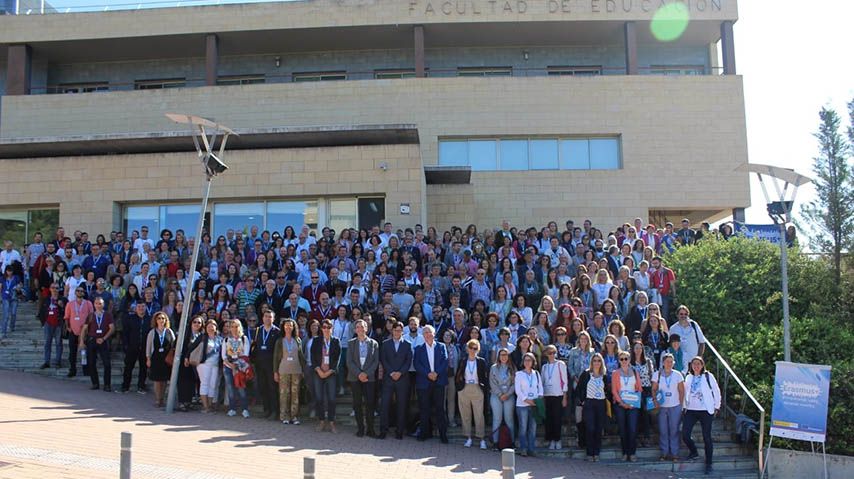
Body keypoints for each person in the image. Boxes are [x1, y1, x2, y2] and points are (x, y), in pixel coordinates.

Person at [682, 356, 721, 475]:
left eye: (698, 363)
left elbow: (716, 390)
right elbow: (685, 392)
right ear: (691, 366)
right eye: (694, 364)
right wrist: (684, 406)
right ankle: (694, 452)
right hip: (691, 410)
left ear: (702, 365)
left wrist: (717, 406)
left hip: (706, 410)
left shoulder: (708, 376)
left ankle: (709, 463)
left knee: (706, 437)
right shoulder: (688, 377)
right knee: (685, 434)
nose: (696, 366)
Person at [414, 324, 449, 443]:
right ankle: (424, 433)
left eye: (430, 332)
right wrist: (428, 374)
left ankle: (443, 435)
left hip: (439, 381)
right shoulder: (418, 349)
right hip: (424, 382)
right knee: (424, 409)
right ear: (423, 336)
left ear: (434, 334)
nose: (428, 334)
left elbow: (445, 361)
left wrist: (436, 373)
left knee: (440, 409)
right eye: (425, 333)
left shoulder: (441, 346)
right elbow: (417, 364)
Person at [379, 320, 413, 440]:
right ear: (392, 331)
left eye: (399, 330)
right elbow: (383, 360)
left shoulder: (407, 344)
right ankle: (383, 430)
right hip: (388, 378)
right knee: (384, 405)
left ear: (402, 332)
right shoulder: (385, 343)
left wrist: (399, 373)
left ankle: (399, 431)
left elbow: (408, 361)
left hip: (402, 379)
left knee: (401, 405)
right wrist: (392, 372)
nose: (397, 332)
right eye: (395, 330)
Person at [347, 319, 380, 437]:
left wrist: (365, 373)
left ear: (367, 328)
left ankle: (370, 429)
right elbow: (349, 361)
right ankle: (360, 428)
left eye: (363, 326)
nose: (360, 329)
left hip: (369, 378)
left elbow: (376, 362)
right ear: (355, 330)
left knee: (370, 403)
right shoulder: (351, 343)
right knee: (357, 404)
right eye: (358, 327)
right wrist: (359, 374)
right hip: (355, 378)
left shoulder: (374, 343)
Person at [455, 339, 489, 450]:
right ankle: (468, 437)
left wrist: (483, 388)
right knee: (465, 414)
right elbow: (458, 374)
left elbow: (484, 376)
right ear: (467, 349)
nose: (472, 350)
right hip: (464, 388)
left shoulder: (481, 361)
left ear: (478, 350)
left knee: (479, 415)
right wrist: (459, 388)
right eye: (471, 348)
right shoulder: (463, 360)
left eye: (475, 348)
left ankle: (481, 438)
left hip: (477, 388)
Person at [575, 352, 609, 461]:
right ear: (591, 362)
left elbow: (607, 390)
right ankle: (589, 453)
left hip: (600, 403)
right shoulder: (586, 374)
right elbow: (579, 389)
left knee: (599, 429)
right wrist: (582, 401)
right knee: (590, 428)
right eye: (594, 360)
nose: (597, 363)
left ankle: (596, 453)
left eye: (599, 360)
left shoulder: (604, 376)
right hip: (589, 403)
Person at [652, 352, 685, 461]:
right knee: (663, 430)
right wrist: (655, 400)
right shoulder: (657, 374)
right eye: (667, 361)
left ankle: (674, 453)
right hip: (662, 406)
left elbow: (681, 391)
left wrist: (681, 405)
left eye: (671, 362)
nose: (669, 364)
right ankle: (664, 453)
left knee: (674, 430)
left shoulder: (677, 375)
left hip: (675, 405)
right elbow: (654, 389)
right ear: (663, 363)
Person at [311, 318, 342, 433]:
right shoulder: (316, 341)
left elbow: (337, 359)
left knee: (332, 399)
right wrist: (319, 370)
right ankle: (321, 421)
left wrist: (330, 371)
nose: (326, 329)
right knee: (319, 398)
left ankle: (332, 422)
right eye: (324, 327)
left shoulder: (336, 341)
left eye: (328, 327)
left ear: (332, 328)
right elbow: (313, 357)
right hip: (318, 372)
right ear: (321, 329)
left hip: (331, 373)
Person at [611, 351, 642, 462]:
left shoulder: (635, 371)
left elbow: (639, 388)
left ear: (629, 360)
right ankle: (625, 452)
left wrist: (634, 402)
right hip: (620, 405)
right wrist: (622, 403)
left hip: (633, 405)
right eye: (622, 359)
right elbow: (614, 391)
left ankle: (632, 453)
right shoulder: (615, 373)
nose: (624, 361)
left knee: (632, 429)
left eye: (626, 359)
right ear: (619, 361)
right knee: (623, 429)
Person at [187, 319, 222, 413]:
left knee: (212, 385)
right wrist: (187, 357)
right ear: (206, 327)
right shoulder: (202, 337)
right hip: (204, 364)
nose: (211, 327)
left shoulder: (219, 338)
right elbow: (192, 347)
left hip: (215, 364)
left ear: (216, 327)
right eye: (209, 326)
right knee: (205, 383)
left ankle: (210, 405)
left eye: (213, 325)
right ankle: (205, 406)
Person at [274, 318, 304, 425]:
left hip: (296, 370)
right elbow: (276, 358)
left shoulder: (298, 340)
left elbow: (301, 356)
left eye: (290, 325)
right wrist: (275, 372)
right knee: (284, 394)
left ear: (293, 327)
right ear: (283, 327)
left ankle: (294, 416)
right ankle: (284, 416)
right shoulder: (279, 341)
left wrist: (303, 370)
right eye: (286, 325)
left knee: (295, 394)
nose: (288, 327)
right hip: (283, 370)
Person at [253, 310, 281, 419]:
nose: (268, 318)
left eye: (270, 317)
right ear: (262, 318)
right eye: (266, 316)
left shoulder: (277, 331)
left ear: (273, 319)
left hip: (271, 364)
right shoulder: (258, 330)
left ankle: (274, 411)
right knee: (263, 387)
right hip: (260, 363)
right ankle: (266, 409)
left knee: (272, 387)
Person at [514, 352, 543, 457]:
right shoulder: (519, 374)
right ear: (523, 362)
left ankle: (531, 448)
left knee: (533, 428)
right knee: (523, 427)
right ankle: (523, 448)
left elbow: (540, 388)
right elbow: (518, 390)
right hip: (522, 405)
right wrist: (526, 400)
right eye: (525, 360)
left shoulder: (536, 374)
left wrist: (539, 397)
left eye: (529, 360)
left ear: (533, 362)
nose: (527, 362)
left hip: (534, 404)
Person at [541, 344, 569, 450]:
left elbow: (564, 380)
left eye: (554, 353)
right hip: (548, 395)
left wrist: (565, 396)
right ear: (546, 354)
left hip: (558, 394)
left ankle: (558, 439)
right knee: (549, 418)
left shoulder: (560, 364)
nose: (552, 355)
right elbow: (543, 381)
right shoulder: (544, 367)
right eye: (550, 353)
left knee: (557, 418)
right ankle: (551, 439)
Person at [145, 311, 176, 407]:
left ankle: (163, 398)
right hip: (156, 358)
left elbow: (174, 344)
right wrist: (148, 358)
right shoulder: (152, 332)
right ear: (155, 320)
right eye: (159, 318)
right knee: (157, 380)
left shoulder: (169, 331)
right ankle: (158, 399)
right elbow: (148, 346)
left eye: (163, 318)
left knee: (165, 380)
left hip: (166, 359)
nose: (161, 320)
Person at [83, 297, 114, 391]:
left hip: (103, 341)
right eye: (96, 303)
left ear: (103, 304)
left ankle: (107, 385)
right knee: (91, 363)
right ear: (94, 304)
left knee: (107, 364)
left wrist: (104, 338)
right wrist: (81, 341)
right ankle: (95, 383)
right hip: (92, 340)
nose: (98, 305)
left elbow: (112, 328)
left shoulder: (108, 315)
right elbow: (84, 329)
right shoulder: (91, 315)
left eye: (100, 303)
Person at [222, 319, 251, 418]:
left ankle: (245, 409)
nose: (234, 329)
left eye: (236, 326)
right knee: (230, 388)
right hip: (228, 366)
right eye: (232, 326)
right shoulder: (226, 339)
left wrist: (237, 366)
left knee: (241, 388)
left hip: (240, 367)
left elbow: (246, 354)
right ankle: (232, 408)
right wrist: (231, 366)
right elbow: (223, 356)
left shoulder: (244, 338)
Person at [488, 347, 515, 449]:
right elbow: (492, 382)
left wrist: (507, 394)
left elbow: (514, 383)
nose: (504, 357)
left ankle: (511, 442)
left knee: (509, 419)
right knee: (497, 419)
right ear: (499, 356)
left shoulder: (512, 367)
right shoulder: (493, 367)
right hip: (496, 395)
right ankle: (496, 442)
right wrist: (500, 394)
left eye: (506, 355)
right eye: (502, 355)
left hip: (509, 395)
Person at [630, 340, 655, 447]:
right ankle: (636, 438)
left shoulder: (648, 361)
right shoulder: (629, 362)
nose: (638, 350)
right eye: (636, 348)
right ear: (633, 350)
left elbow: (652, 376)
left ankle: (647, 437)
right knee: (636, 413)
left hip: (647, 389)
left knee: (646, 413)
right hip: (634, 390)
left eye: (640, 348)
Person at [64, 286, 94, 378]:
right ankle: (72, 370)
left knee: (85, 352)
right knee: (72, 353)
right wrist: (68, 327)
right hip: (73, 331)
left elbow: (91, 315)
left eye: (81, 291)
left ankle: (86, 369)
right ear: (75, 292)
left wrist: (89, 327)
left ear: (84, 293)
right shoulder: (70, 304)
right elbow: (66, 317)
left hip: (85, 332)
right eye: (78, 291)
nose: (80, 292)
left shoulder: (88, 303)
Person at [122, 302, 151, 393]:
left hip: (144, 347)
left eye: (143, 306)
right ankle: (125, 386)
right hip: (132, 347)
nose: (141, 308)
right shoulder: (130, 318)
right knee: (128, 367)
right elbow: (125, 333)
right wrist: (126, 345)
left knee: (143, 368)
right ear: (136, 308)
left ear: (146, 307)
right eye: (139, 306)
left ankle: (141, 386)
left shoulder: (149, 319)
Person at [177, 315, 204, 412]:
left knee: (192, 382)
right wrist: (185, 358)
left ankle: (188, 402)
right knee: (182, 381)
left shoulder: (202, 336)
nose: (197, 324)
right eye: (195, 322)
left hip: (195, 362)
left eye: (199, 323)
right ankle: (181, 402)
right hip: (184, 362)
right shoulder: (185, 334)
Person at [668, 305, 705, 371]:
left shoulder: (694, 325)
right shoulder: (673, 328)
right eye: (681, 314)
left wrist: (698, 357)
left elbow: (702, 342)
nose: (683, 316)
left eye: (685, 314)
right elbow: (670, 345)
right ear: (677, 315)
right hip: (680, 362)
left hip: (694, 361)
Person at [38, 284, 65, 369]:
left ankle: (58, 361)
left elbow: (67, 312)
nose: (55, 290)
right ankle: (46, 362)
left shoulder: (63, 299)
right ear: (50, 289)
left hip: (58, 324)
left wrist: (62, 306)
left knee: (58, 343)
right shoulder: (46, 299)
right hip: (48, 323)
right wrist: (43, 322)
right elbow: (41, 311)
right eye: (53, 288)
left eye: (57, 288)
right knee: (47, 343)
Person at [1, 265, 22, 339]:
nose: (9, 272)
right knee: (6, 314)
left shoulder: (16, 277)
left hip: (14, 297)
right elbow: (0, 287)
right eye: (8, 271)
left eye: (11, 271)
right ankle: (3, 331)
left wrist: (18, 287)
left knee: (13, 313)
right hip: (5, 297)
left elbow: (20, 285)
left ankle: (12, 326)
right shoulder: (2, 278)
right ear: (6, 271)